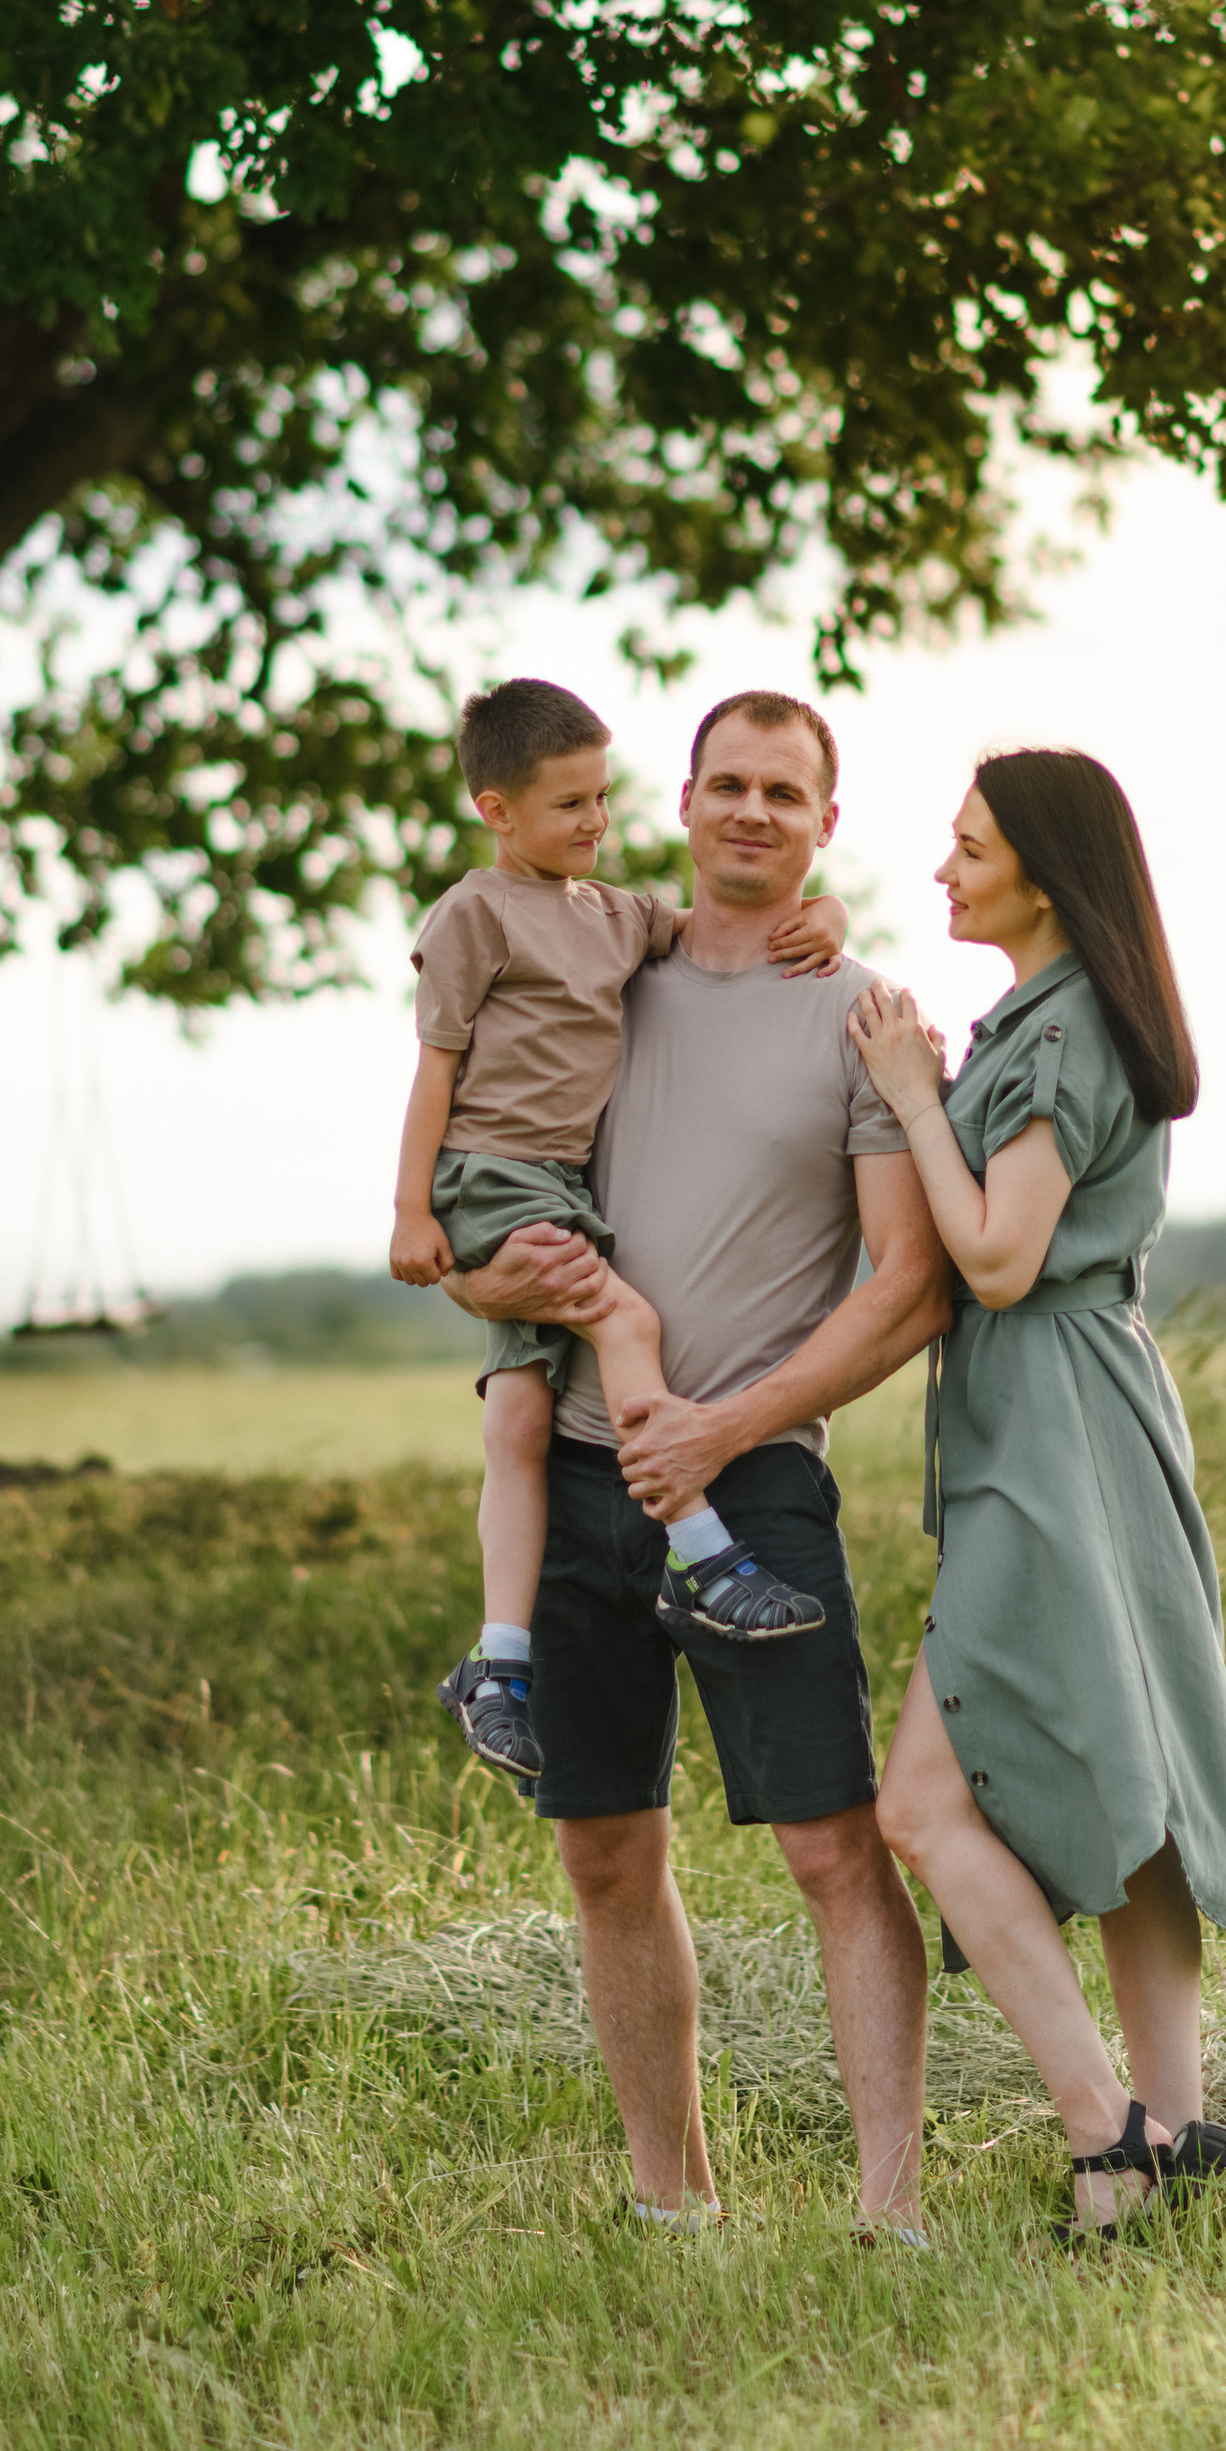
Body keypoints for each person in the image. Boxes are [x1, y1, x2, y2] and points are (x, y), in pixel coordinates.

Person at [452, 691, 953, 2236]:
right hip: (588, 1474)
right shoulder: (606, 961)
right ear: (681, 801)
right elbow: (493, 1196)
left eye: (783, 794)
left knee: (830, 1842)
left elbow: (904, 1287)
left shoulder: (860, 1013)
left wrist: (726, 1428)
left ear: (824, 823)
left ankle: (890, 2207)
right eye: (726, 784)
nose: (751, 811)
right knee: (606, 1846)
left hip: (753, 1483)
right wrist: (485, 1285)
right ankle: (671, 2201)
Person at [848, 748, 1226, 2239]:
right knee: (1132, 1782)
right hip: (1086, 1405)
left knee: (917, 1798)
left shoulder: (1065, 1024)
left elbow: (1000, 1258)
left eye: (967, 847)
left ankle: (1108, 2131)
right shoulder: (1062, 1012)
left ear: (1040, 866)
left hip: (1053, 1419)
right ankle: (1175, 2132)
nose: (944, 871)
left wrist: (907, 1095)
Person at [393, 677, 850, 1793]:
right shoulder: (473, 914)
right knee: (619, 1313)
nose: (595, 824)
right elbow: (435, 1070)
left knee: (515, 1419)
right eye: (568, 808)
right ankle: (701, 1551)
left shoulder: (614, 918)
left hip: (558, 1194)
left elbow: (714, 924)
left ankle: (497, 1664)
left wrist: (826, 915)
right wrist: (419, 1220)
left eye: (603, 801)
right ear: (498, 811)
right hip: (495, 1181)